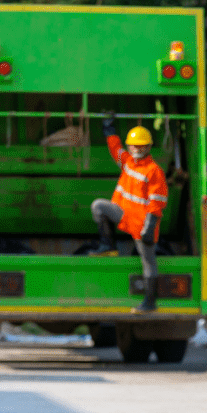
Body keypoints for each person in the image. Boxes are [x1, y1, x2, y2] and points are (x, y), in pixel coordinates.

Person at [90, 115, 169, 313]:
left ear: (148, 147)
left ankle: (150, 303)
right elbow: (115, 150)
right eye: (133, 146)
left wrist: (150, 228)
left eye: (141, 146)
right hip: (123, 214)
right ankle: (108, 246)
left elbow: (157, 202)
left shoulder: (154, 171)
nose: (136, 149)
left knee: (148, 262)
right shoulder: (128, 162)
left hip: (142, 224)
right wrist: (109, 131)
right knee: (98, 206)